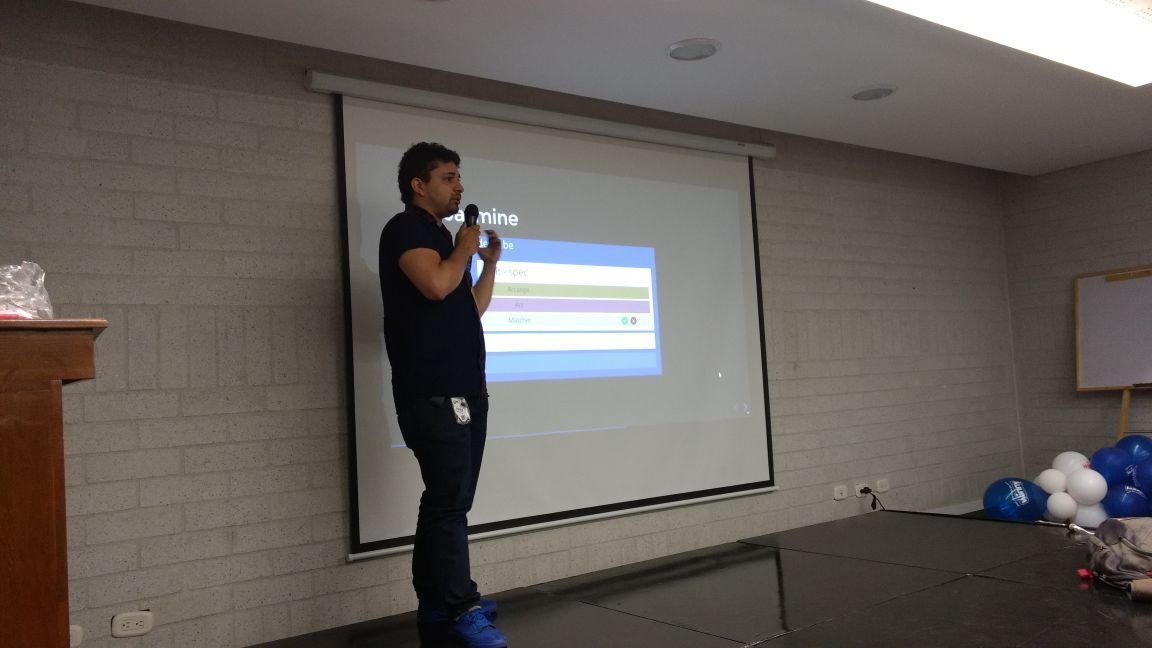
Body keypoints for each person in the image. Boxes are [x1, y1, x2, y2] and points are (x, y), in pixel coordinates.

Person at [378, 142, 507, 648]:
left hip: (467, 390)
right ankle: (461, 606)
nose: (459, 186)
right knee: (449, 503)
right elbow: (434, 284)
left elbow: (467, 307)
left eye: (459, 177)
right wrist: (463, 250)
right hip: (433, 393)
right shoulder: (405, 229)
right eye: (449, 177)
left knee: (448, 501)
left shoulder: (445, 240)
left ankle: (437, 602)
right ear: (419, 184)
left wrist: (487, 263)